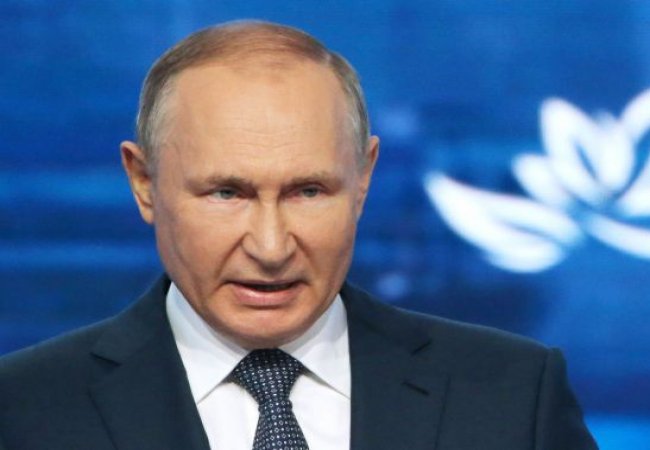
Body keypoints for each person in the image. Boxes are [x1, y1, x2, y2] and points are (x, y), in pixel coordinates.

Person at [0, 20, 598, 450]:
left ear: (363, 179)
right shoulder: (22, 410)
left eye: (308, 191)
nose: (270, 247)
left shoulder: (515, 396)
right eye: (226, 193)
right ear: (144, 183)